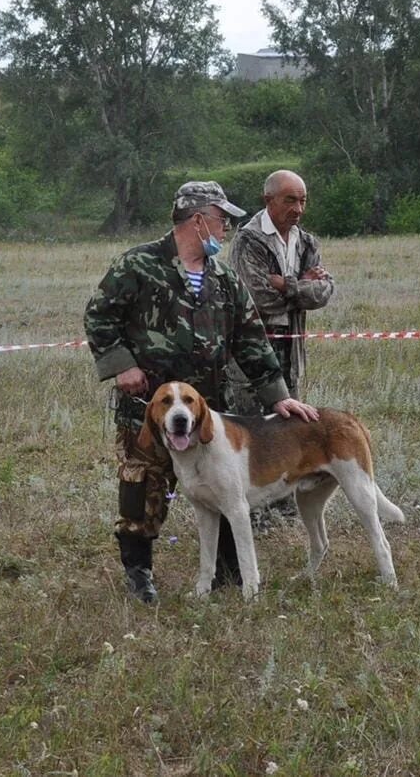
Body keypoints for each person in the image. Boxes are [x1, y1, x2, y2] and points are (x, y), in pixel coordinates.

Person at [84, 180, 319, 603]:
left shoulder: (224, 278)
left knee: (223, 485)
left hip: (207, 412)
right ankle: (139, 574)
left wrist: (278, 395)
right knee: (142, 486)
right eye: (221, 219)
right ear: (197, 220)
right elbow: (99, 316)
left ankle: (228, 572)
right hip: (148, 407)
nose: (227, 227)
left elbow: (250, 338)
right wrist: (122, 365)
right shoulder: (138, 265)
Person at [229, 169, 335, 408]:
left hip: (291, 355)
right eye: (290, 200)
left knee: (289, 427)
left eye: (303, 201)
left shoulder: (307, 242)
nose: (298, 209)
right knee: (253, 427)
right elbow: (258, 298)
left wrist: (286, 284)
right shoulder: (248, 240)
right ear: (268, 200)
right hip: (251, 359)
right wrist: (303, 286)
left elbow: (324, 292)